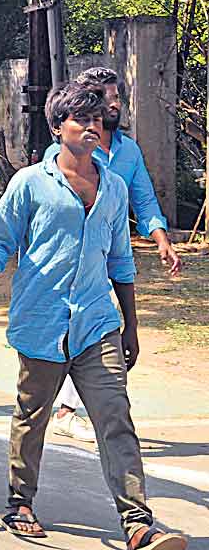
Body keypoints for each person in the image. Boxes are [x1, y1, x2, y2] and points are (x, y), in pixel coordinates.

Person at [0, 83, 187, 550]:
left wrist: (131, 326)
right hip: (43, 322)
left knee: (115, 419)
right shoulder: (30, 183)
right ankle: (19, 500)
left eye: (97, 121)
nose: (92, 128)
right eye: (80, 121)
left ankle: (137, 524)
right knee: (33, 415)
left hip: (96, 323)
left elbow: (121, 262)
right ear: (56, 128)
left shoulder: (114, 188)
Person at [44, 67, 182, 443]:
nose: (116, 103)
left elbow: (144, 198)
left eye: (118, 96)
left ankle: (73, 410)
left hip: (110, 256)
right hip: (70, 260)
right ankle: (57, 408)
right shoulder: (62, 153)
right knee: (70, 329)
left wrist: (161, 239)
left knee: (102, 328)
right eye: (108, 97)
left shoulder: (128, 150)